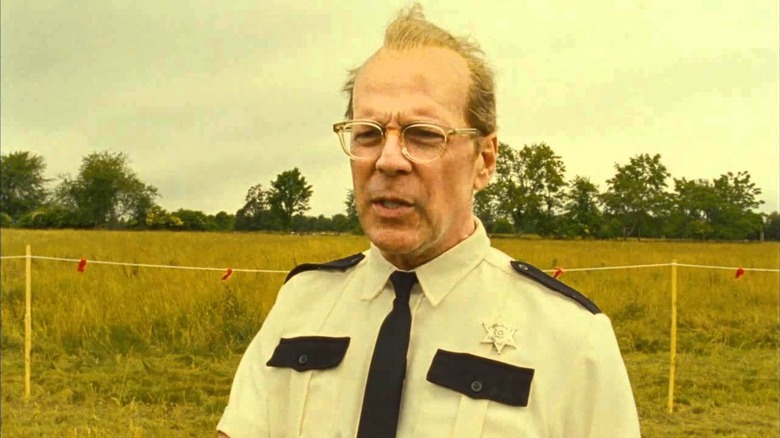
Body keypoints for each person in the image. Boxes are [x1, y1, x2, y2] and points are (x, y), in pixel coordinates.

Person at [218, 5, 640, 437]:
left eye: (423, 134)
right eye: (367, 133)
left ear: (485, 160)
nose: (388, 160)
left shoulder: (569, 338)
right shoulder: (301, 307)